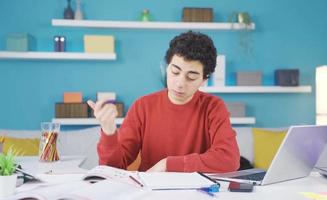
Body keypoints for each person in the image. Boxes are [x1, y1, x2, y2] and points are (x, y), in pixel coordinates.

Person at [87, 31, 240, 173]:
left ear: (204, 80)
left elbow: (229, 159)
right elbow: (113, 169)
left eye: (191, 77)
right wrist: (108, 131)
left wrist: (168, 164)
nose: (180, 83)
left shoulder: (213, 107)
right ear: (166, 67)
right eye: (175, 71)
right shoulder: (143, 106)